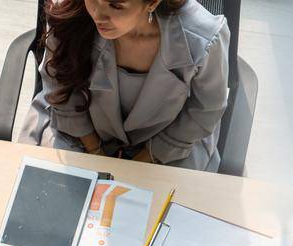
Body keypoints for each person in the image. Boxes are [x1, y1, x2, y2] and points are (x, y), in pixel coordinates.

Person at [23, 0, 231, 172]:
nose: (98, 15)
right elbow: (61, 88)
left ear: (152, 3)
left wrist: (142, 161)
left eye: (115, 5)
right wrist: (95, 152)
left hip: (170, 144)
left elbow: (206, 109)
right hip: (75, 130)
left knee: (162, 214)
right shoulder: (68, 14)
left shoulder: (204, 38)